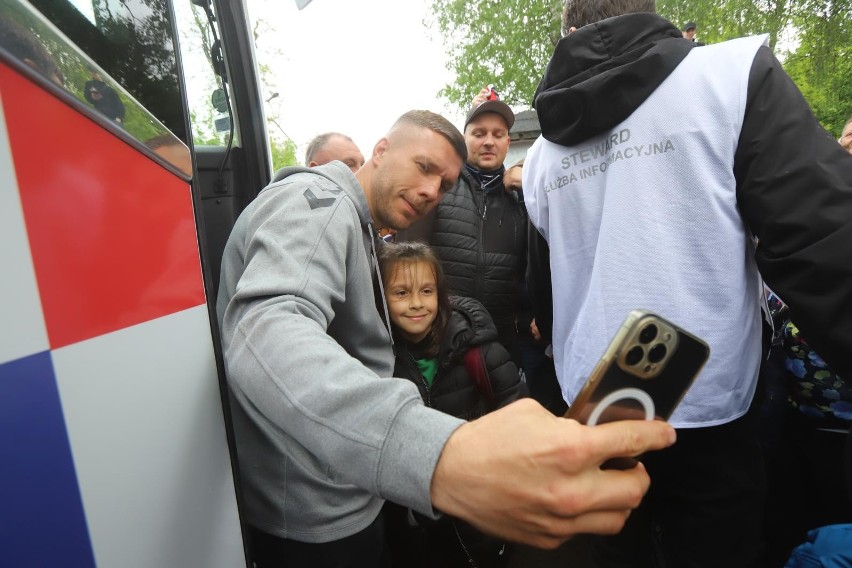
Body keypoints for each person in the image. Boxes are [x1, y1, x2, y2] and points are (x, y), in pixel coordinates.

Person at [217, 109, 676, 568]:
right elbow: (264, 329)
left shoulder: (360, 227)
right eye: (424, 167)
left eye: (445, 184)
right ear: (380, 151)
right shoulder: (320, 202)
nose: (432, 192)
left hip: (343, 491)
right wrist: (439, 456)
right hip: (313, 513)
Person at [524, 1, 852, 567]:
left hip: (601, 405)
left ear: (568, 28)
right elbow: (824, 247)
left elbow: (545, 291)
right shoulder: (730, 76)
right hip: (713, 403)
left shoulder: (539, 155)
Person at [378, 241, 524, 567]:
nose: (416, 304)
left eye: (426, 291)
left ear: (440, 294)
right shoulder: (378, 360)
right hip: (414, 514)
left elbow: (518, 413)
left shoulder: (476, 349)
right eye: (401, 293)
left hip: (477, 504)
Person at [396, 92, 528, 366]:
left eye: (497, 134)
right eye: (479, 133)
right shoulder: (439, 190)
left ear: (508, 141)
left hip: (500, 347)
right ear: (464, 138)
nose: (488, 141)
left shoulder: (522, 197)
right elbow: (406, 260)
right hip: (438, 344)